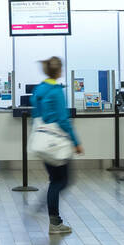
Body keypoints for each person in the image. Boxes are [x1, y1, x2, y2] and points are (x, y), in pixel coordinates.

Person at [31, 56, 83, 235]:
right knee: (62, 181)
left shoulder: (39, 89)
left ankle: (49, 213)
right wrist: (76, 143)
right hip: (57, 143)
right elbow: (63, 119)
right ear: (59, 71)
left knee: (55, 181)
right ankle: (53, 220)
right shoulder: (56, 91)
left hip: (42, 142)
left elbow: (36, 115)